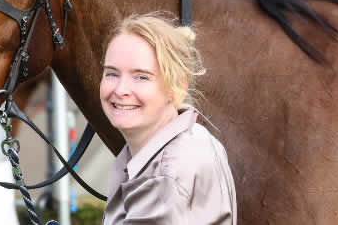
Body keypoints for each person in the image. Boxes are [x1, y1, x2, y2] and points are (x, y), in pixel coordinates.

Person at [100, 13, 236, 224]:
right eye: (111, 73)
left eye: (141, 77)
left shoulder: (165, 174)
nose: (121, 89)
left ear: (177, 85)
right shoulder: (195, 137)